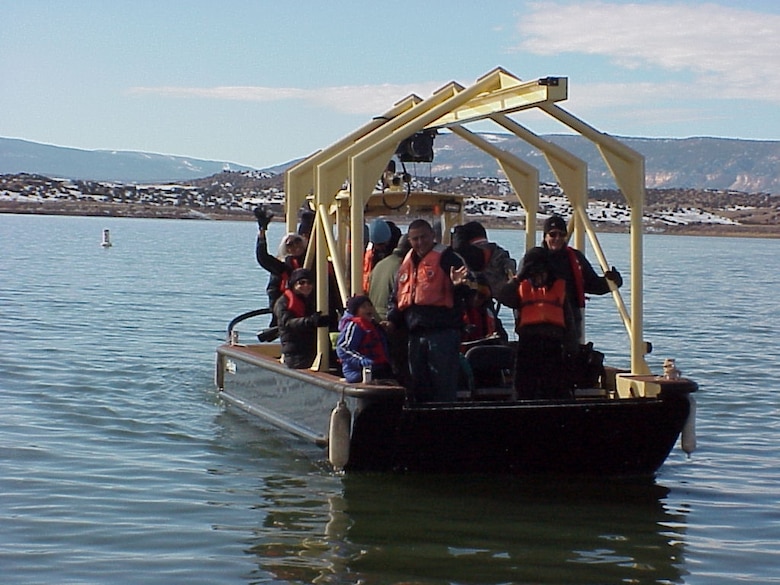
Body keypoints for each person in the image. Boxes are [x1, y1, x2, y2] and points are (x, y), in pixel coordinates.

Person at [387, 219, 473, 402]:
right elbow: (397, 297)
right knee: (418, 387)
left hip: (442, 334)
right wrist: (391, 320)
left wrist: (459, 286)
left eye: (423, 237)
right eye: (415, 239)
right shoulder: (406, 263)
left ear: (432, 236)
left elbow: (472, 292)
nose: (420, 242)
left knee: (443, 388)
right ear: (409, 241)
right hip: (416, 335)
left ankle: (443, 424)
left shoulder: (449, 258)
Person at [497, 247, 575, 400]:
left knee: (553, 389)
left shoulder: (558, 286)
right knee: (524, 389)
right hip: (528, 344)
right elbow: (503, 296)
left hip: (553, 344)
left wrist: (571, 349)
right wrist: (519, 277)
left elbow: (568, 318)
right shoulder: (522, 286)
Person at [541, 214, 623, 343]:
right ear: (545, 236)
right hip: (542, 326)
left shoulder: (575, 258)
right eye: (552, 234)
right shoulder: (534, 259)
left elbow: (593, 285)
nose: (557, 238)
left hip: (570, 325)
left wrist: (613, 281)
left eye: (561, 234)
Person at [254, 205, 308, 322]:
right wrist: (262, 231)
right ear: (286, 249)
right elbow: (263, 258)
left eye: (297, 241)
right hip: (290, 314)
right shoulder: (284, 266)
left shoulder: (313, 259)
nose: (295, 246)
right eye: (290, 244)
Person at [274, 268, 329, 369]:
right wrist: (311, 321)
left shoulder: (315, 300)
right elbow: (288, 323)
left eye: (309, 283)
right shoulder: (283, 302)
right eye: (301, 283)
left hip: (313, 348)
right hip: (295, 352)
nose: (306, 286)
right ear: (293, 284)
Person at [336, 295, 393, 383]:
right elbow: (343, 348)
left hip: (377, 368)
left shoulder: (374, 325)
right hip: (358, 372)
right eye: (363, 307)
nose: (368, 309)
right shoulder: (355, 326)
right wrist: (361, 360)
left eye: (369, 305)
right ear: (356, 311)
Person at [452, 220, 516, 297]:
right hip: (501, 296)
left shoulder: (474, 254)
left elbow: (459, 247)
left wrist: (458, 231)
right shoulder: (499, 252)